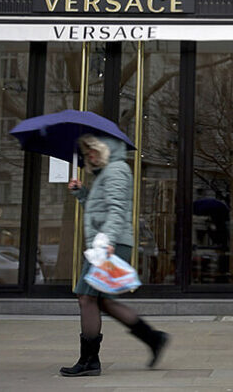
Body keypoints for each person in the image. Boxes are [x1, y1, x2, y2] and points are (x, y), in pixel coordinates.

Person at [60, 133, 169, 377]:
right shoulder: (104, 175)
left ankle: (89, 361)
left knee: (86, 297)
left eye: (92, 150)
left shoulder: (117, 170)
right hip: (107, 242)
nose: (89, 155)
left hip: (109, 244)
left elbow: (117, 210)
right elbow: (99, 208)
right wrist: (81, 193)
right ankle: (153, 338)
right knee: (102, 301)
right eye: (86, 152)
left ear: (104, 149)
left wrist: (106, 241)